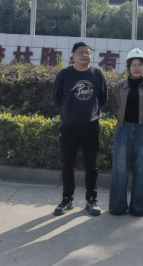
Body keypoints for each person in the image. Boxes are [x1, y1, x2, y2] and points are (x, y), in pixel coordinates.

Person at [52, 42, 108, 216]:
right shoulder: (64, 74)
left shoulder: (97, 74)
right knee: (67, 166)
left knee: (92, 166)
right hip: (68, 127)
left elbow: (103, 98)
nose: (84, 55)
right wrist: (69, 114)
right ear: (73, 55)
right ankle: (67, 199)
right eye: (81, 52)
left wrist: (90, 114)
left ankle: (91, 199)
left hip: (91, 127)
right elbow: (56, 98)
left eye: (87, 52)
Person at [109, 48, 143, 216]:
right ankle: (117, 206)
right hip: (123, 128)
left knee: (141, 168)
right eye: (133, 65)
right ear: (128, 67)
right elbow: (114, 106)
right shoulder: (119, 86)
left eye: (140, 65)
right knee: (119, 167)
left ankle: (138, 207)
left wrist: (142, 121)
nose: (137, 68)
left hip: (142, 129)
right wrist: (122, 121)